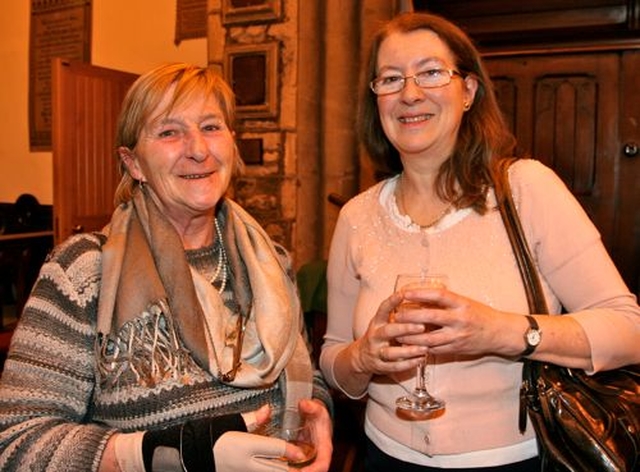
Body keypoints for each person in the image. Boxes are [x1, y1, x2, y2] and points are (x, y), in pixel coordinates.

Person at [319, 11, 640, 472]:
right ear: (376, 100)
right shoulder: (356, 216)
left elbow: (629, 329)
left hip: (513, 462)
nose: (409, 93)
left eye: (431, 72)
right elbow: (334, 362)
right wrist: (363, 356)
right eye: (390, 79)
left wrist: (502, 332)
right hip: (385, 458)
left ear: (468, 90)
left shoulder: (527, 189)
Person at [0, 63, 333, 472]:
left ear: (232, 142)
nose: (198, 148)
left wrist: (319, 421)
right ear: (134, 163)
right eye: (169, 132)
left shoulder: (271, 263)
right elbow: (17, 442)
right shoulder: (84, 271)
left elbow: (306, 377)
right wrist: (170, 453)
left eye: (211, 127)